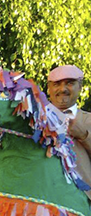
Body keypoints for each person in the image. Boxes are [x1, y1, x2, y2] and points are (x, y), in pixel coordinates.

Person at [48, 65, 91, 199]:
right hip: (40, 196)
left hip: (81, 200)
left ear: (80, 87)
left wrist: (84, 136)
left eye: (70, 83)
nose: (63, 89)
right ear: (49, 88)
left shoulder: (88, 119)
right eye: (57, 84)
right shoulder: (32, 119)